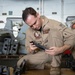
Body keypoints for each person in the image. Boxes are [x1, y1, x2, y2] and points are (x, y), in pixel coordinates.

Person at [17, 7, 75, 75]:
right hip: (44, 54)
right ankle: (47, 65)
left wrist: (61, 49)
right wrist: (31, 49)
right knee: (20, 63)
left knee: (54, 32)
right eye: (31, 26)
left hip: (58, 53)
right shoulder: (29, 32)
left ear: (38, 15)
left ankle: (55, 67)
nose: (34, 27)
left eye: (35, 23)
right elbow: (29, 50)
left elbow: (72, 36)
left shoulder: (54, 24)